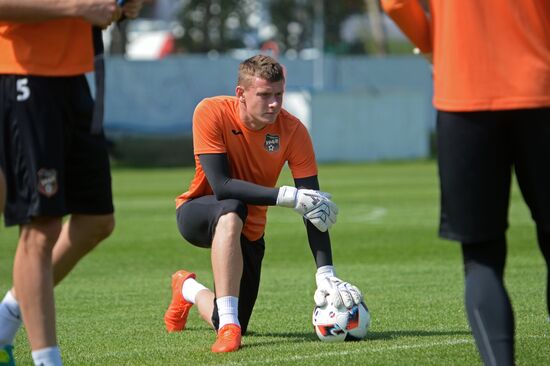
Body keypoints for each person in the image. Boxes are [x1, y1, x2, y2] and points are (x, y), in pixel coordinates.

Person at [381, 1, 550, 365]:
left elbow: (395, 4)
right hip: (543, 87)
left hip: (464, 92)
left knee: (482, 257)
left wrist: (433, 45)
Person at [164, 54, 364, 353]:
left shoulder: (294, 131)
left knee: (225, 316)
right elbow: (222, 186)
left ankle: (187, 288)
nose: (274, 103)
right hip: (198, 211)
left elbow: (315, 207)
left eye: (279, 95)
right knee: (232, 210)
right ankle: (230, 330)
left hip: (251, 233)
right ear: (241, 94)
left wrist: (326, 273)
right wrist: (287, 196)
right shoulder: (211, 111)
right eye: (265, 95)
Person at [0, 1, 143, 365]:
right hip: (23, 77)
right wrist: (79, 7)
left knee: (97, 220)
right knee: (41, 226)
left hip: (75, 79)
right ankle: (48, 360)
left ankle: (4, 320)